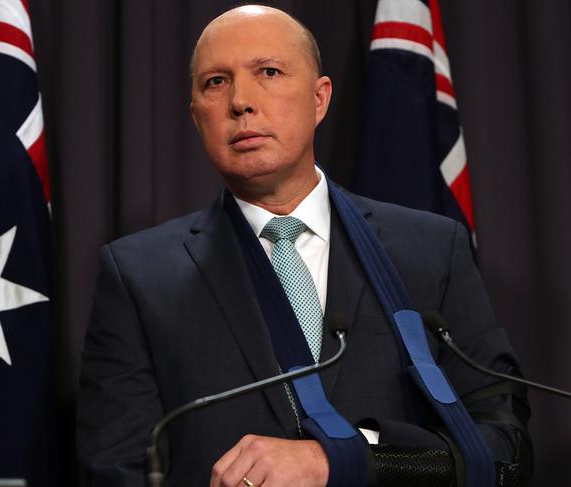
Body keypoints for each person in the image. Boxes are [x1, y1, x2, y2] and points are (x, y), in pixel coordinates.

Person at [77, 5, 529, 486]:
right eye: (216, 82)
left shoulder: (433, 251)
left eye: (268, 72)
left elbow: (507, 452)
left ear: (319, 99)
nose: (241, 102)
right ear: (195, 116)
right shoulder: (138, 276)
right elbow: (117, 471)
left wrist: (346, 458)